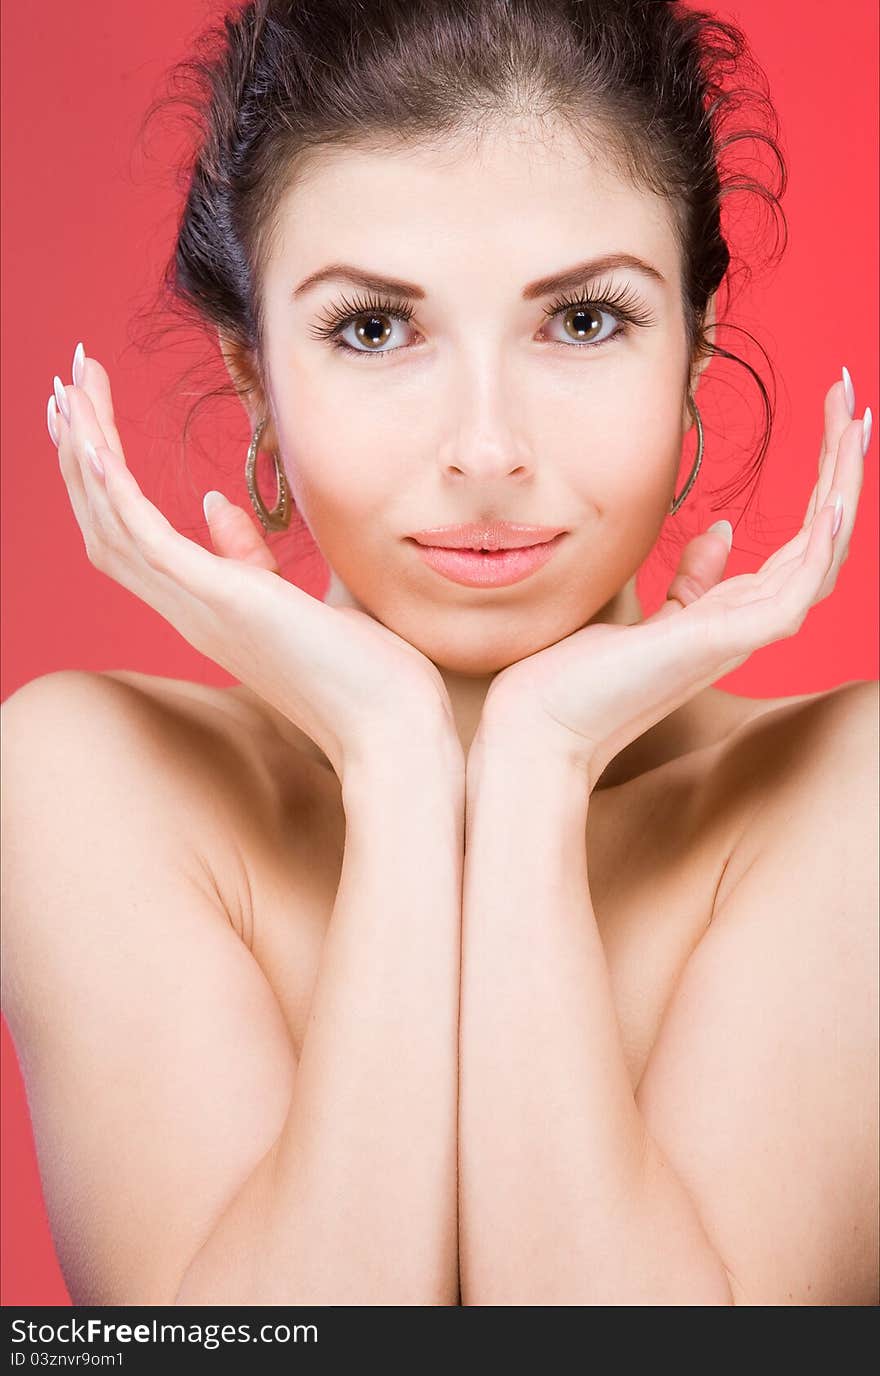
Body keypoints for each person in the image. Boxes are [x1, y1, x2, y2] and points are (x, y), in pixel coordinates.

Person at [2, 0, 877, 1307]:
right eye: (373, 328)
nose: (485, 449)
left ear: (693, 349)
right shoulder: (86, 778)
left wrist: (539, 765)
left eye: (582, 320)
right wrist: (398, 763)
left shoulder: (843, 795)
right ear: (254, 375)